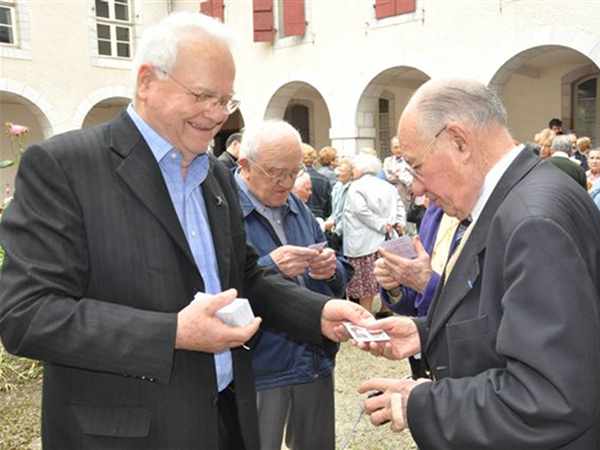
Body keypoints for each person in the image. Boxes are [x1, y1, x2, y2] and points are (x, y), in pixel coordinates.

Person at [0, 13, 371, 450]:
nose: (217, 114)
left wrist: (317, 312)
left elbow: (244, 277)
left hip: (226, 422)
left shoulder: (215, 175)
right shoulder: (64, 167)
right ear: (146, 82)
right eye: (202, 96)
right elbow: (27, 315)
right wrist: (173, 332)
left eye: (226, 100)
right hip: (129, 437)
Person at [358, 78, 600, 449]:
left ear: (459, 142)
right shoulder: (520, 195)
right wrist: (426, 332)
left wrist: (420, 402)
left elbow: (548, 396)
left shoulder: (532, 219)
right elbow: (508, 315)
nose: (417, 189)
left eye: (417, 167)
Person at [235, 120, 350, 450]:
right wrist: (270, 266)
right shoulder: (223, 208)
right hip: (261, 365)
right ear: (245, 165)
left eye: (294, 171)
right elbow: (213, 287)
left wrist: (330, 270)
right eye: (275, 173)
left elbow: (339, 270)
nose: (286, 183)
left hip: (313, 359)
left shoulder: (295, 205)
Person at [342, 153, 406, 312]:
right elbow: (399, 206)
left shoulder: (355, 187)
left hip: (363, 242)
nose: (352, 171)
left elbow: (360, 211)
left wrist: (381, 225)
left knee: (365, 285)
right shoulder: (388, 186)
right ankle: (385, 309)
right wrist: (398, 223)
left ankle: (366, 313)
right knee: (387, 277)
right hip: (387, 240)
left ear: (361, 168)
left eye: (354, 168)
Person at [324, 158, 353, 251]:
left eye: (342, 171)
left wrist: (337, 231)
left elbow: (347, 213)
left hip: (344, 232)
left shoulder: (352, 188)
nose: (339, 173)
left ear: (351, 173)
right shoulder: (337, 186)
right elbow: (334, 210)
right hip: (334, 229)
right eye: (339, 170)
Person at [303, 143, 332, 220]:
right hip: (319, 218)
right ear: (314, 160)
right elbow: (329, 208)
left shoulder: (296, 178)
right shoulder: (324, 179)